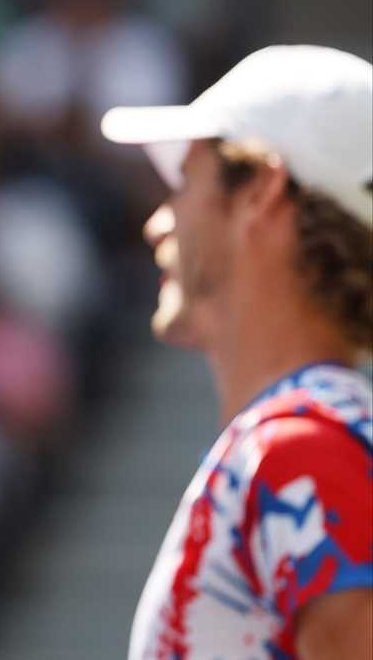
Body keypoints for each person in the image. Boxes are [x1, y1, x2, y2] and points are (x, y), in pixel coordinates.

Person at [100, 44, 373, 660]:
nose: (158, 223)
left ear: (260, 190)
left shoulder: (305, 446)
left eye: (185, 181)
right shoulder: (304, 440)